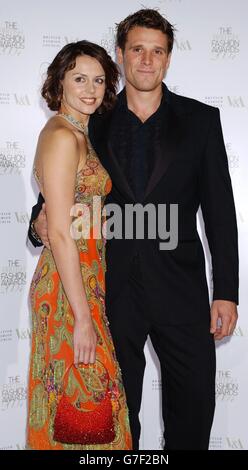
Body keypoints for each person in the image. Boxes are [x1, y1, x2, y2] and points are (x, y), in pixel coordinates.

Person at [28, 9, 239, 450]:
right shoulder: (94, 119)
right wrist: (39, 219)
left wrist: (227, 292)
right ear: (121, 56)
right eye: (137, 49)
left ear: (168, 59)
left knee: (194, 408)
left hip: (181, 290)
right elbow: (66, 189)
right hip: (110, 289)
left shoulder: (201, 121)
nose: (147, 60)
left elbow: (221, 210)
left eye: (157, 51)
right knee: (117, 418)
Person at [27, 40, 132, 450]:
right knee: (84, 415)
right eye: (79, 79)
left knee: (92, 418)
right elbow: (56, 232)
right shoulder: (61, 136)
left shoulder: (80, 133)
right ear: (60, 83)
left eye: (100, 80)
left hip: (86, 286)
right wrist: (82, 318)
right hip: (67, 294)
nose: (91, 89)